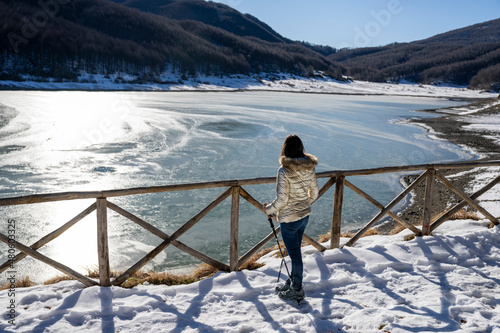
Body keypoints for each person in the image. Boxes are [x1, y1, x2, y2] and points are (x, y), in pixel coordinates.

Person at [264, 134, 319, 300]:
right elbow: (315, 192)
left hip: (289, 220)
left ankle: (297, 289)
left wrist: (268, 210)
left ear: (285, 149)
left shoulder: (284, 170)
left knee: (295, 255)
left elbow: (282, 200)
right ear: (301, 147)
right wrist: (303, 203)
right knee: (296, 252)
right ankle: (294, 280)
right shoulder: (309, 167)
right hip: (304, 216)